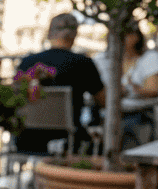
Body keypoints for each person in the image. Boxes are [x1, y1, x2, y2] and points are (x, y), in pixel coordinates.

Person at [14, 13, 104, 154]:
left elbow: (16, 99)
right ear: (74, 35)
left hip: (25, 138)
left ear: (50, 34)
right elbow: (103, 101)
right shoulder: (83, 64)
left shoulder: (26, 63)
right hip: (67, 140)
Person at [95, 21, 158, 148]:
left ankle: (125, 162)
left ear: (136, 37)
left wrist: (131, 90)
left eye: (124, 35)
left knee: (125, 126)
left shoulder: (149, 58)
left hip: (137, 113)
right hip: (103, 111)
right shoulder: (101, 59)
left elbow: (153, 90)